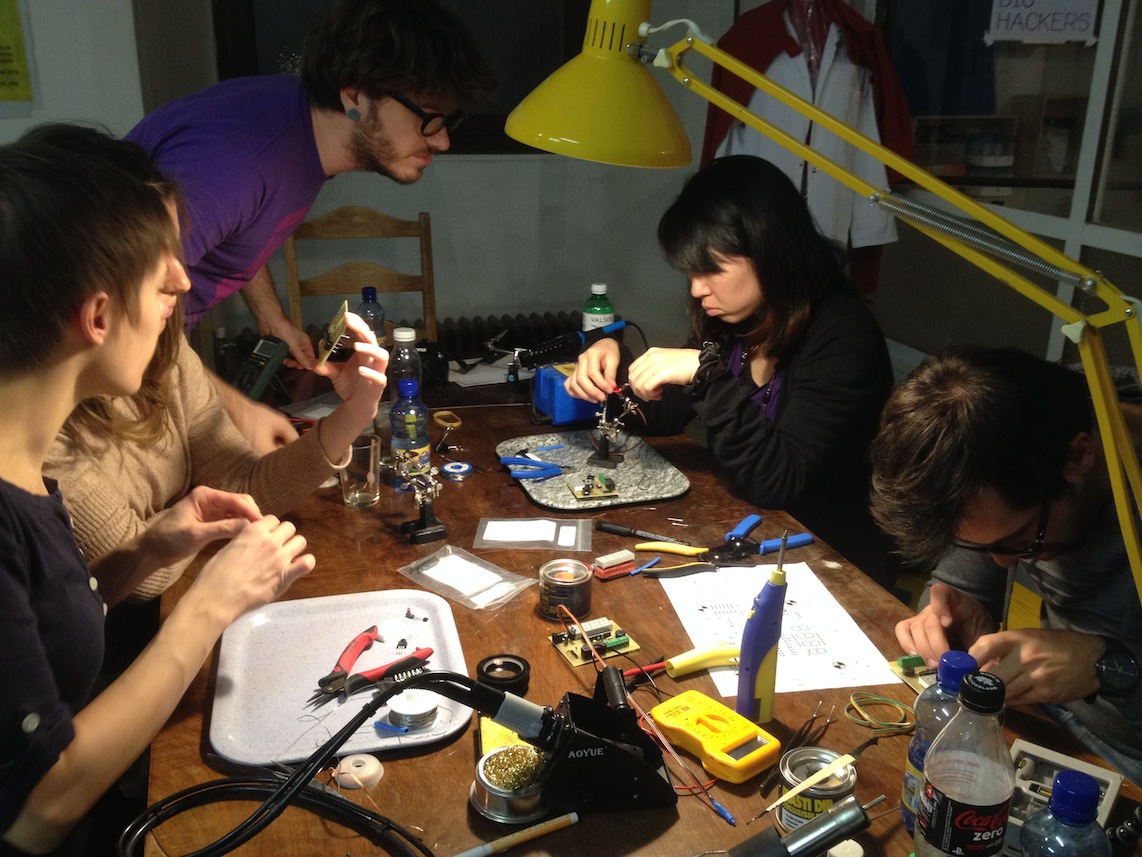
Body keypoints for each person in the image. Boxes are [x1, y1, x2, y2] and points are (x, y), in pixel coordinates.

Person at [0, 131, 314, 856]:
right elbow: (36, 810)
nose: (181, 287)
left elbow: (48, 630)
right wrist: (208, 606)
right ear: (97, 316)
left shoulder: (22, 468)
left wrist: (147, 549)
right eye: (158, 278)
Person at [25, 123, 386, 607]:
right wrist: (203, 592)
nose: (182, 282)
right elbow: (137, 582)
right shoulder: (34, 437)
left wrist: (354, 414)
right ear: (92, 302)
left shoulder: (163, 352)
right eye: (157, 258)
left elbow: (240, 485)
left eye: (177, 251)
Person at [126, 0, 494, 451]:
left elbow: (236, 226)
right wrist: (234, 408)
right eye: (428, 117)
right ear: (355, 96)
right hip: (114, 372)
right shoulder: (234, 164)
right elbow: (124, 315)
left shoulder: (297, 124)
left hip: (153, 355)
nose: (442, 139)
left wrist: (272, 317)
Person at [565, 155, 894, 586]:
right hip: (755, 541)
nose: (697, 288)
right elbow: (668, 411)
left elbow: (776, 480)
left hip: (833, 565)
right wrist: (612, 363)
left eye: (709, 270)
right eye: (690, 272)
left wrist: (706, 376)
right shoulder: (737, 320)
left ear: (768, 251)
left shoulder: (844, 335)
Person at [869, 345, 1142, 781]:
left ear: (1079, 457)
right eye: (981, 546)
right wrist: (951, 616)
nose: (1001, 561)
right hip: (1048, 723)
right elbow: (959, 582)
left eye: (1020, 540)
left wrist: (1107, 665)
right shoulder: (1012, 430)